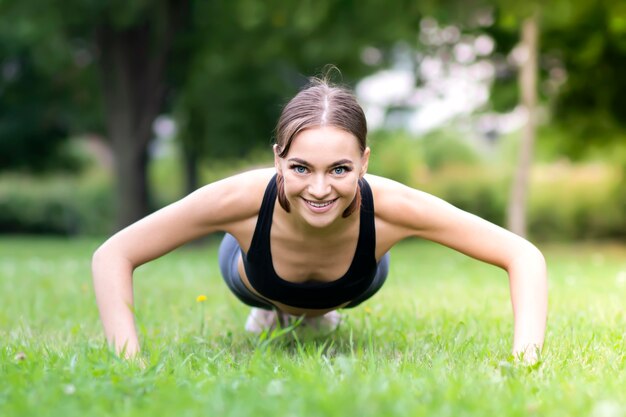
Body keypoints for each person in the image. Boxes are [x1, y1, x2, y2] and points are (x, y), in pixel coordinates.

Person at [92, 76, 547, 362]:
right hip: (256, 274)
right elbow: (114, 253)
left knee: (336, 290)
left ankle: (314, 315)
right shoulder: (238, 198)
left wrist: (527, 360)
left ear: (365, 163)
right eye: (301, 167)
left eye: (340, 169)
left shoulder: (395, 205)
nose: (319, 188)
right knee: (271, 293)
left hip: (353, 282)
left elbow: (521, 255)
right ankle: (276, 314)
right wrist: (128, 361)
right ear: (278, 160)